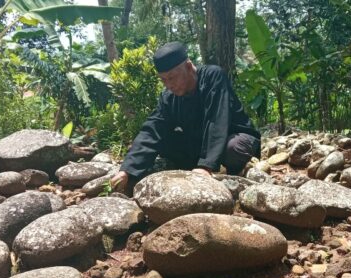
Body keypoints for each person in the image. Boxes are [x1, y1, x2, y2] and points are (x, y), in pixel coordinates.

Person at [110, 41, 261, 192]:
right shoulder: (168, 96)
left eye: (172, 77)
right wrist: (127, 169)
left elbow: (216, 121)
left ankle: (232, 170)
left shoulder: (213, 76)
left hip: (233, 137)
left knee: (233, 149)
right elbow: (152, 129)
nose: (169, 85)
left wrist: (205, 166)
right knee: (161, 141)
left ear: (188, 67)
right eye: (163, 80)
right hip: (200, 144)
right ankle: (202, 165)